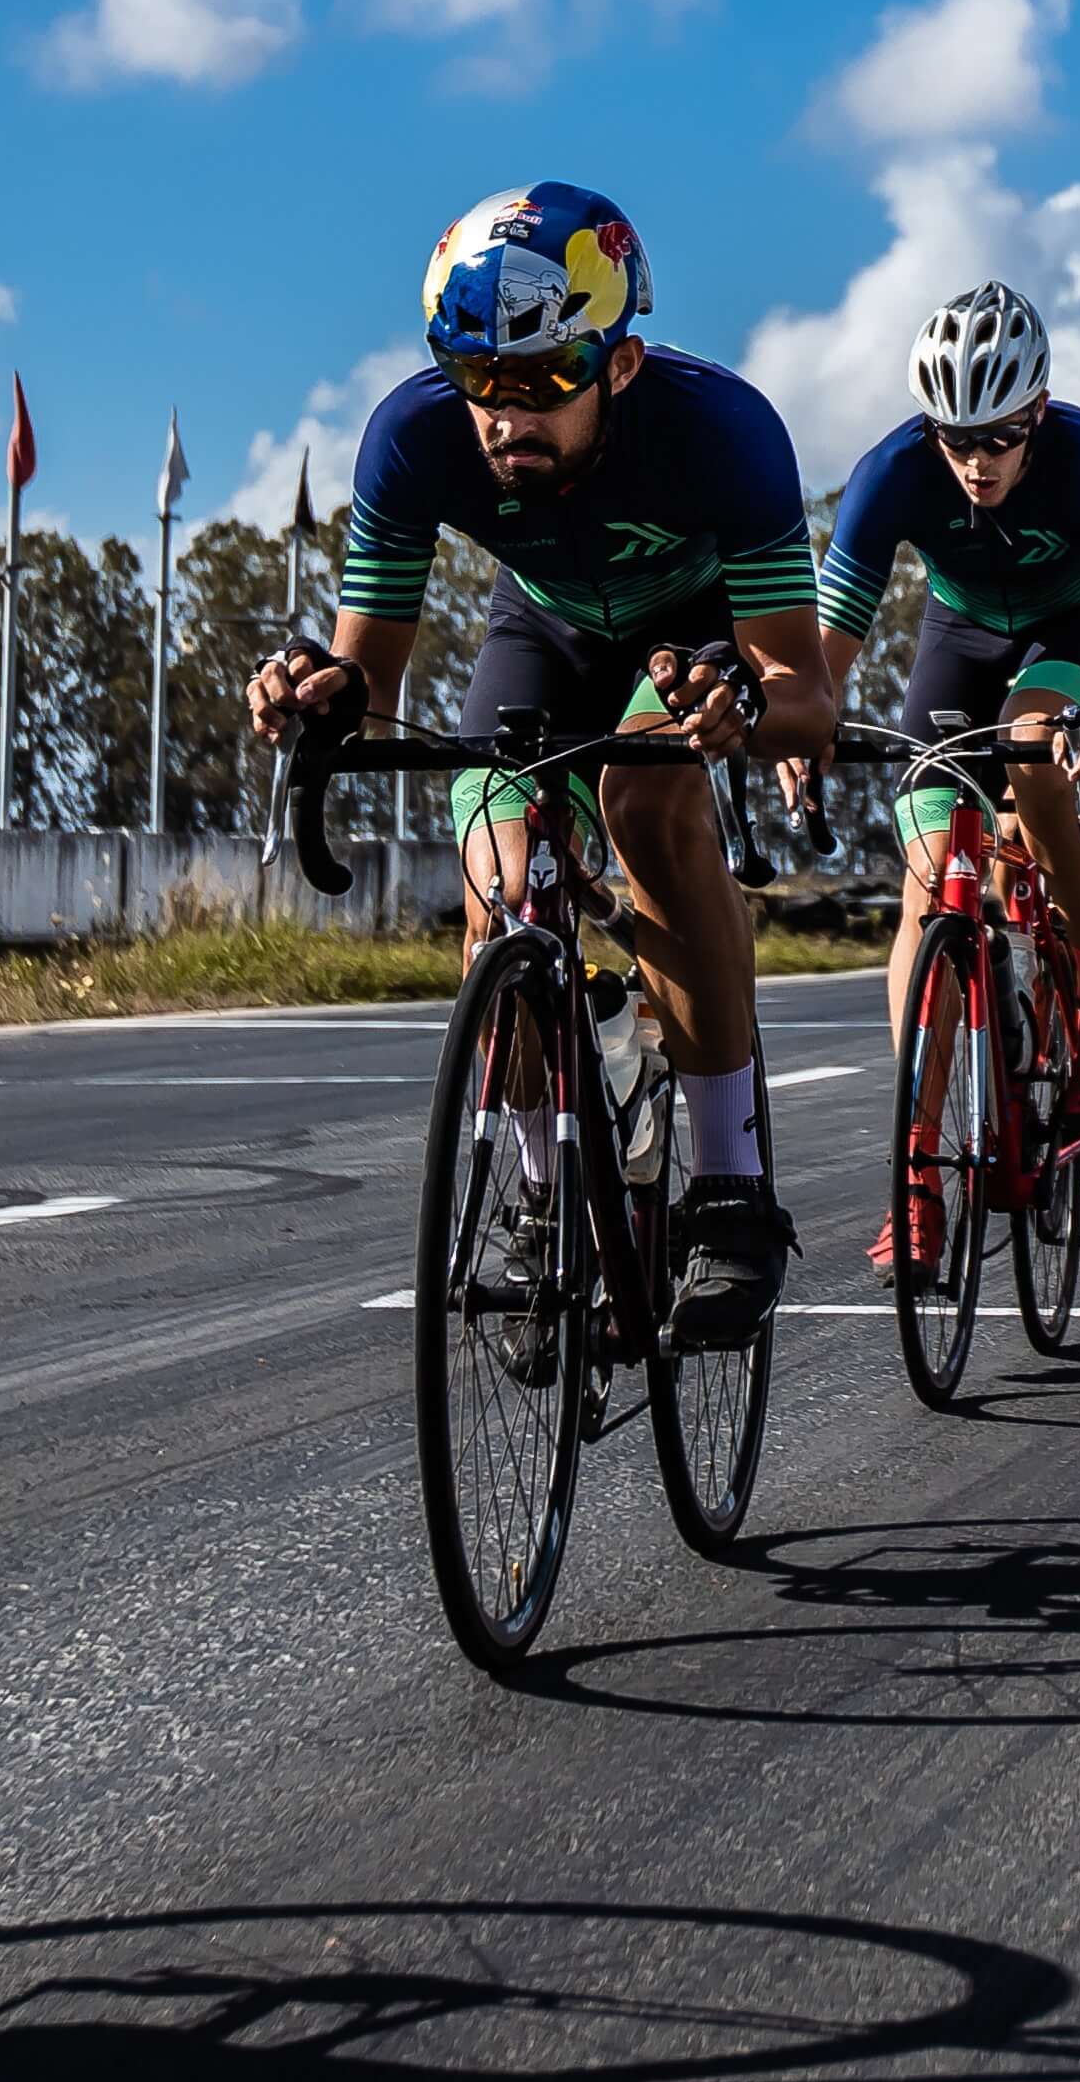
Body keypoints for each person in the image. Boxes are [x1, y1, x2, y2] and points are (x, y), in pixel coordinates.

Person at [246, 185, 837, 1344]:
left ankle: (727, 1186)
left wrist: (742, 709)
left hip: (694, 638)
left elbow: (805, 693)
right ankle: (533, 1188)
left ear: (618, 364)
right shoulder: (411, 437)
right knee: (497, 878)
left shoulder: (724, 429)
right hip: (546, 629)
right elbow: (372, 686)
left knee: (644, 791)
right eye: (479, 379)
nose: (504, 414)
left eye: (543, 378)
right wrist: (318, 694)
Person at [801, 284, 1080, 1218]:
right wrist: (799, 732)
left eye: (999, 438)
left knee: (1028, 743)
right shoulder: (889, 471)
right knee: (929, 881)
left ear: (1037, 411)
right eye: (954, 438)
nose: (975, 462)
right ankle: (917, 1174)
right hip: (959, 639)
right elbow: (822, 659)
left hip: (1070, 634)